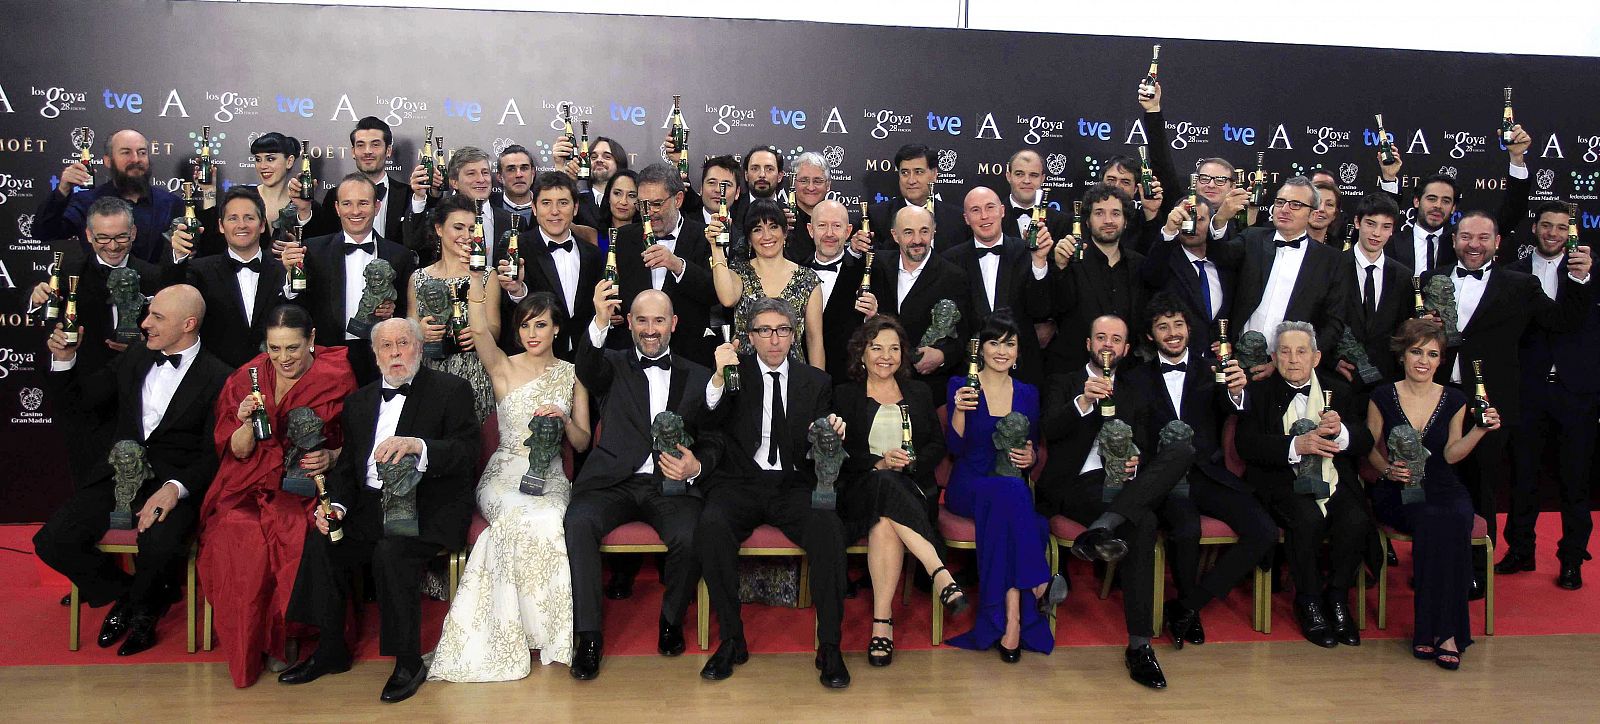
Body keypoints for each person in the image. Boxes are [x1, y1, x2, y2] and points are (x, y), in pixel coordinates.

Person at [279, 317, 478, 703]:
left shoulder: (452, 390)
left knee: (392, 552)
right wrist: (333, 506)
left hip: (429, 504)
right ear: (374, 354)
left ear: (419, 348)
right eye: (386, 347)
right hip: (369, 505)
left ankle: (408, 661)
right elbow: (350, 470)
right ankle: (331, 649)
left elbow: (466, 453)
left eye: (403, 344)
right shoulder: (359, 402)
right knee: (324, 541)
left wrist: (419, 446)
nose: (395, 353)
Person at [36, 285, 230, 656]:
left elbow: (214, 452)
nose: (144, 324)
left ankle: (144, 612)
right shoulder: (136, 357)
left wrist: (176, 488)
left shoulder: (220, 376)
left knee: (160, 544)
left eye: (157, 317)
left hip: (173, 483)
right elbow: (83, 402)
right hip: (118, 476)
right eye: (148, 314)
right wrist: (64, 359)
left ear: (188, 324)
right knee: (52, 541)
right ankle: (131, 597)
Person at [563, 285, 730, 681]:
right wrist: (600, 321)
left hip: (669, 484)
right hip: (612, 481)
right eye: (641, 320)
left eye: (658, 320)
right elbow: (586, 368)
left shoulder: (700, 374)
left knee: (691, 535)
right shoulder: (612, 364)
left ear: (673, 324)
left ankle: (671, 620)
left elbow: (715, 436)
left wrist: (695, 465)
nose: (650, 329)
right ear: (631, 324)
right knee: (578, 523)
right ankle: (588, 636)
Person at [1419, 210, 1590, 593]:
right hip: (1434, 399)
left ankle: (1475, 572)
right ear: (1454, 239)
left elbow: (1563, 320)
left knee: (1482, 487)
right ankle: (1431, 564)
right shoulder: (1431, 280)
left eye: (1483, 237)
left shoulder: (1521, 285)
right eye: (1465, 237)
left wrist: (1578, 279)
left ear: (1498, 242)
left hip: (1490, 404)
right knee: (1432, 483)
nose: (1473, 245)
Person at [430, 287, 593, 681]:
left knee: (551, 521)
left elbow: (583, 442)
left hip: (551, 475)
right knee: (518, 518)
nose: (532, 333)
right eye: (524, 326)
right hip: (503, 474)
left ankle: (548, 635)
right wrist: (476, 285)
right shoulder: (502, 366)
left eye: (541, 325)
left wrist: (563, 418)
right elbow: (480, 331)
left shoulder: (573, 374)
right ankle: (508, 631)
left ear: (556, 329)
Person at [694, 298, 851, 688]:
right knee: (711, 525)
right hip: (740, 482)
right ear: (750, 337)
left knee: (829, 529)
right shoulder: (735, 374)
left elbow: (821, 439)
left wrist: (831, 431)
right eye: (764, 330)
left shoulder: (815, 382)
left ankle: (829, 646)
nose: (774, 339)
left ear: (793, 335)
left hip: (794, 483)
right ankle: (732, 639)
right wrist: (717, 377)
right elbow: (706, 420)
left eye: (782, 330)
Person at [198, 304, 356, 687]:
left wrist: (331, 456)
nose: (283, 358)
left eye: (293, 348)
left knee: (295, 531)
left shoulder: (339, 376)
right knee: (239, 533)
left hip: (305, 486)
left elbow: (355, 443)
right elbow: (236, 451)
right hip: (246, 483)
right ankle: (258, 641)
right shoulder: (244, 378)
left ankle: (291, 632)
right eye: (274, 348)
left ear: (312, 340)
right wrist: (247, 422)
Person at [1037, 313, 1194, 689]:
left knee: (1182, 451)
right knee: (1145, 523)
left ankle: (1105, 526)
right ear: (1089, 344)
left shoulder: (1134, 392)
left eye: (1116, 339)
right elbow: (1048, 430)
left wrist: (1136, 458)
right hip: (1076, 486)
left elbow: (1142, 440)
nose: (1108, 344)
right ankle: (1140, 647)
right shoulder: (1063, 383)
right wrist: (1082, 402)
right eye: (1101, 337)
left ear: (1125, 349)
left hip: (1123, 484)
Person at [1128, 293, 1276, 650]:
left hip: (1207, 474)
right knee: (1186, 529)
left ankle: (1189, 604)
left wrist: (1239, 391)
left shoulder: (1213, 368)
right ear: (1150, 335)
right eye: (1163, 327)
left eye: (1178, 324)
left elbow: (1233, 408)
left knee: (1264, 530)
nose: (1173, 332)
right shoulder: (1135, 378)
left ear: (1189, 329)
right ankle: (1189, 608)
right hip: (1164, 481)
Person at [1366, 319, 1500, 670]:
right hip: (1399, 489)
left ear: (1441, 361)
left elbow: (1452, 454)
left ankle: (1446, 633)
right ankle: (1430, 630)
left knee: (1456, 517)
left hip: (1444, 485)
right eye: (1416, 352)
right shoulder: (1381, 395)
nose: (1423, 360)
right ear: (1403, 356)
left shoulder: (1455, 398)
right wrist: (1386, 470)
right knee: (1430, 520)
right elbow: (1368, 446)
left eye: (1432, 354)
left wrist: (1481, 431)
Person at [832, 316, 965, 667]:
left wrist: (910, 462)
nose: (885, 356)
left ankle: (881, 625)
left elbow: (937, 446)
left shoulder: (919, 393)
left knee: (885, 519)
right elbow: (837, 454)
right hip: (860, 490)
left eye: (894, 349)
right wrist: (878, 463)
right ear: (862, 354)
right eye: (876, 348)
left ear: (903, 355)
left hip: (912, 490)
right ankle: (939, 571)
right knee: (881, 484)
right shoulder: (844, 395)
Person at [1236, 321, 1375, 649]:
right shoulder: (1258, 393)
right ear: (1274, 356)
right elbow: (1247, 445)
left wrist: (1340, 432)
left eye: (1301, 352)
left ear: (1316, 357)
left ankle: (1338, 597)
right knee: (1308, 518)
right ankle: (1309, 601)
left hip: (1333, 476)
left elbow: (1364, 440)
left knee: (1355, 519)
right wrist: (1296, 447)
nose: (1293, 359)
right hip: (1280, 480)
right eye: (1285, 351)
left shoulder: (1338, 390)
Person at [943, 313, 1061, 660]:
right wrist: (959, 413)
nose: (1001, 350)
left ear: (1019, 351)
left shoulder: (1028, 393)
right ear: (981, 348)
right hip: (969, 485)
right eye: (994, 342)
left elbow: (1032, 447)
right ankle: (1038, 579)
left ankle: (1010, 624)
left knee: (1017, 509)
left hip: (1008, 490)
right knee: (1017, 499)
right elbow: (955, 448)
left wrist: (1030, 456)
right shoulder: (960, 383)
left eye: (1009, 343)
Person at [27, 197, 161, 491]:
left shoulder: (155, 277)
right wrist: (36, 300)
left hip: (141, 397)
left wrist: (143, 347)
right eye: (103, 238)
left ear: (134, 233)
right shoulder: (65, 275)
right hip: (86, 397)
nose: (112, 246)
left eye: (121, 237)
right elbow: (49, 323)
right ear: (88, 236)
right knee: (89, 490)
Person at [1501, 201, 1598, 589]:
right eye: (1546, 225)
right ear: (1535, 228)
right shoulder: (1512, 274)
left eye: (1561, 227)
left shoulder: (1590, 272)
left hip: (1576, 394)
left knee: (1576, 481)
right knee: (1523, 477)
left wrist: (1586, 279)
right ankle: (1520, 550)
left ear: (1570, 233)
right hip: (1529, 390)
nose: (1553, 233)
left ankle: (1571, 558)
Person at [281, 173, 416, 386]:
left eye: (363, 203)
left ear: (377, 206)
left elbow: (409, 314)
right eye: (347, 204)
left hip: (381, 359)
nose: (355, 211)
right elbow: (296, 308)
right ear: (336, 208)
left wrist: (392, 313)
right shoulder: (313, 250)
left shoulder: (401, 256)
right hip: (327, 358)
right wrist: (290, 277)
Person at [1378, 123, 1532, 274]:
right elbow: (1382, 213)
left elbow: (1512, 212)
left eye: (1446, 201)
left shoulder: (1463, 242)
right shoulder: (1390, 242)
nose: (1438, 205)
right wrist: (1389, 177)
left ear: (1453, 208)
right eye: (1431, 198)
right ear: (1417, 201)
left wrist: (1517, 158)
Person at [604, 162, 717, 366]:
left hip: (689, 357)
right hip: (632, 359)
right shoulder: (624, 238)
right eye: (642, 205)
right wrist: (611, 312)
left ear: (678, 199)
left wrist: (678, 266)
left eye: (656, 204)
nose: (648, 213)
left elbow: (715, 293)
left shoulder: (704, 236)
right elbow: (615, 291)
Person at [1228, 177, 1348, 367]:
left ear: (1311, 213)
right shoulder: (1252, 239)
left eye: (1295, 205)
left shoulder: (1331, 260)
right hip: (1238, 360)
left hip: (1291, 369)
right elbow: (1219, 260)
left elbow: (1333, 324)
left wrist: (1293, 361)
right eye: (1280, 202)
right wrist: (1220, 220)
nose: (1285, 209)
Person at [164, 186, 287, 368]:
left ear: (262, 225)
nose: (241, 225)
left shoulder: (283, 272)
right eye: (233, 218)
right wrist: (178, 256)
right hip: (217, 379)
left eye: (249, 218)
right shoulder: (200, 270)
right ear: (221, 226)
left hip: (273, 376)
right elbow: (171, 300)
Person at [944, 187, 1055, 385]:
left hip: (1021, 371)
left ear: (1002, 211)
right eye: (975, 210)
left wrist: (1038, 263)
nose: (984, 216)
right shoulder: (951, 260)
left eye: (990, 207)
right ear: (966, 218)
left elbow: (1040, 310)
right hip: (969, 372)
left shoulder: (1028, 252)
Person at [408, 193, 499, 423]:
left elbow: (496, 328)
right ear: (439, 229)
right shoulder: (418, 278)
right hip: (431, 375)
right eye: (458, 227)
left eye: (471, 229)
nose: (465, 236)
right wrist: (420, 332)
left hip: (476, 373)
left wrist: (480, 333)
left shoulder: (487, 275)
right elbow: (409, 330)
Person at [871, 205, 973, 403]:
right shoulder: (876, 267)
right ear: (895, 235)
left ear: (933, 232)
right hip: (878, 385)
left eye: (924, 231)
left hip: (929, 391)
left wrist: (942, 355)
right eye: (908, 232)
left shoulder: (953, 276)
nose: (917, 240)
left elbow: (964, 333)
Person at [33, 128, 182, 264]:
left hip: (157, 290)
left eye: (142, 152)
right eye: (126, 152)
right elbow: (43, 232)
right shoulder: (86, 202)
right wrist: (63, 189)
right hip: (101, 290)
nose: (136, 159)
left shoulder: (171, 204)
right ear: (108, 161)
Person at [500, 172, 604, 360]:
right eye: (546, 203)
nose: (554, 211)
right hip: (533, 360)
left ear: (575, 208)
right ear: (534, 207)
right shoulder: (516, 247)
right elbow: (504, 311)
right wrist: (517, 291)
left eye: (563, 203)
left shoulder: (593, 254)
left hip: (583, 359)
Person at [709, 198, 824, 368]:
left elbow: (814, 341)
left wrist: (817, 386)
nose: (766, 236)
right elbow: (727, 299)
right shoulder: (738, 272)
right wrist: (716, 246)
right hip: (746, 375)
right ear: (749, 238)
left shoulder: (808, 279)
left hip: (793, 377)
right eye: (757, 230)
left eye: (773, 227)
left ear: (785, 232)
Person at [1048, 183, 1148, 374]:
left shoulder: (1139, 265)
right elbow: (1055, 308)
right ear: (1087, 221)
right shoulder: (1068, 260)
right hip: (1073, 373)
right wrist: (1060, 267)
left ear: (1126, 221)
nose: (1108, 220)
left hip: (1127, 375)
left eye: (1116, 213)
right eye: (1099, 213)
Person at [1137, 195, 1239, 356]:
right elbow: (1151, 277)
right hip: (1179, 361)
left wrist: (1231, 342)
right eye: (1185, 219)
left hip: (1219, 363)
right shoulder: (1165, 261)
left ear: (1211, 223)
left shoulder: (1226, 263)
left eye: (1200, 219)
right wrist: (1169, 231)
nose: (1191, 225)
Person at [1338, 193, 1411, 390]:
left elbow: (1401, 329)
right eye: (1371, 224)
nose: (1377, 233)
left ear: (1392, 229)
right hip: (1339, 377)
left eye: (1385, 226)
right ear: (1357, 222)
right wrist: (1330, 360)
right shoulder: (1333, 266)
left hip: (1385, 382)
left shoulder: (1403, 276)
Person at [403, 146, 514, 268]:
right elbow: (413, 242)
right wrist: (419, 197)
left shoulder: (509, 221)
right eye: (471, 173)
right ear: (454, 182)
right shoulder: (439, 217)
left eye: (485, 173)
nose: (481, 179)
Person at [807, 199, 876, 387]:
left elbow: (888, 328)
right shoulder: (794, 270)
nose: (829, 234)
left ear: (848, 231)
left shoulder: (869, 271)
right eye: (822, 226)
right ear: (810, 230)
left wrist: (873, 317)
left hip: (852, 384)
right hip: (803, 383)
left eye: (836, 226)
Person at [865, 144, 970, 252]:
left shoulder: (957, 220)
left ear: (934, 174)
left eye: (918, 172)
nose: (911, 180)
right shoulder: (877, 217)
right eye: (905, 173)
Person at [320, 116, 410, 241]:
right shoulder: (334, 196)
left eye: (375, 145)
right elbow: (322, 243)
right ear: (353, 152)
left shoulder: (409, 195)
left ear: (388, 150)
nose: (367, 151)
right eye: (361, 145)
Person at [784, 151, 833, 262]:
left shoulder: (840, 223)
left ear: (828, 185)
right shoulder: (781, 220)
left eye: (817, 181)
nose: (811, 187)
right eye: (804, 181)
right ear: (793, 183)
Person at [489, 144, 536, 227]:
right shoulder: (489, 206)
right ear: (499, 177)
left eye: (524, 168)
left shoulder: (546, 206)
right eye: (511, 169)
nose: (519, 175)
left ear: (533, 173)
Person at [598, 168, 640, 241]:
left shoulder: (648, 238)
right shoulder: (592, 236)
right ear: (608, 196)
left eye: (631, 196)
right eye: (617, 193)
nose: (623, 202)